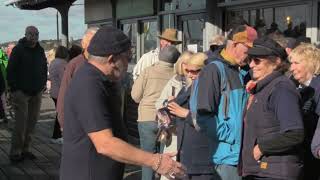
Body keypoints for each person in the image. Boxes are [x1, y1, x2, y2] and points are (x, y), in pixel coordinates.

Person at [60, 26, 186, 180]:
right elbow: (105, 144)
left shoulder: (101, 79)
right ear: (112, 59)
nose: (129, 63)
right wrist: (155, 161)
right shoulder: (89, 84)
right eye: (128, 57)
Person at [194, 25, 258, 180]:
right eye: (247, 50)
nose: (249, 56)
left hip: (239, 155)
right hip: (225, 157)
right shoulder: (214, 70)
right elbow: (203, 116)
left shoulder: (241, 72)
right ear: (235, 44)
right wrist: (233, 136)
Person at [241, 37, 304, 180]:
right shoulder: (262, 88)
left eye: (257, 60)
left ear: (275, 62)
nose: (251, 64)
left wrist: (261, 148)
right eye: (250, 59)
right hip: (258, 171)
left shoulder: (281, 88)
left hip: (273, 172)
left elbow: (294, 133)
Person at [131, 45, 181, 180]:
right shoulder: (177, 76)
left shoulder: (147, 72)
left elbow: (135, 96)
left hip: (147, 118)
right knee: (166, 157)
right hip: (168, 120)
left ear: (159, 57)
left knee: (147, 157)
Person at [167, 52, 214, 180]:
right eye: (187, 71)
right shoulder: (188, 88)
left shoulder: (210, 89)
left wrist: (185, 113)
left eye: (194, 72)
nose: (189, 75)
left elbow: (213, 122)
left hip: (201, 160)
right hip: (185, 155)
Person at [7, 26, 47, 162]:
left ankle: (26, 149)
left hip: (37, 92)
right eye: (31, 34)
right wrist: (14, 89)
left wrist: (42, 85)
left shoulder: (40, 50)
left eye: (36, 34)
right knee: (20, 124)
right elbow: (10, 70)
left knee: (32, 122)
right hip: (21, 93)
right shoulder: (18, 50)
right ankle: (16, 152)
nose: (34, 36)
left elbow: (44, 67)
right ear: (25, 35)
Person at [56, 27, 99, 128]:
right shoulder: (75, 64)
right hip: (79, 122)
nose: (94, 45)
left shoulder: (105, 64)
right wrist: (64, 123)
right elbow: (64, 94)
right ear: (83, 44)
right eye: (91, 41)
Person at [289, 43, 320, 180]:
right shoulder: (292, 85)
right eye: (291, 63)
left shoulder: (318, 88)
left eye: (296, 63)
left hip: (313, 159)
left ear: (309, 64)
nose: (291, 68)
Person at [48, 46, 69, 144]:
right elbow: (64, 80)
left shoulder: (53, 62)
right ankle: (57, 136)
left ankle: (57, 135)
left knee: (59, 113)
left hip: (54, 92)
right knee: (61, 115)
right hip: (61, 93)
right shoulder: (62, 63)